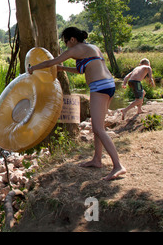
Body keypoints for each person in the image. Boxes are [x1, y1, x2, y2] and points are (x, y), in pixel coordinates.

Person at [28, 26, 126, 181]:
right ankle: (97, 159)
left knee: (99, 129)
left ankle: (118, 166)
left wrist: (32, 68)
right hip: (108, 84)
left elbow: (51, 62)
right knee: (96, 126)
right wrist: (62, 69)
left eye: (66, 42)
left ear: (72, 39)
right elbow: (82, 70)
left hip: (99, 87)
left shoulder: (76, 49)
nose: (66, 45)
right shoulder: (91, 48)